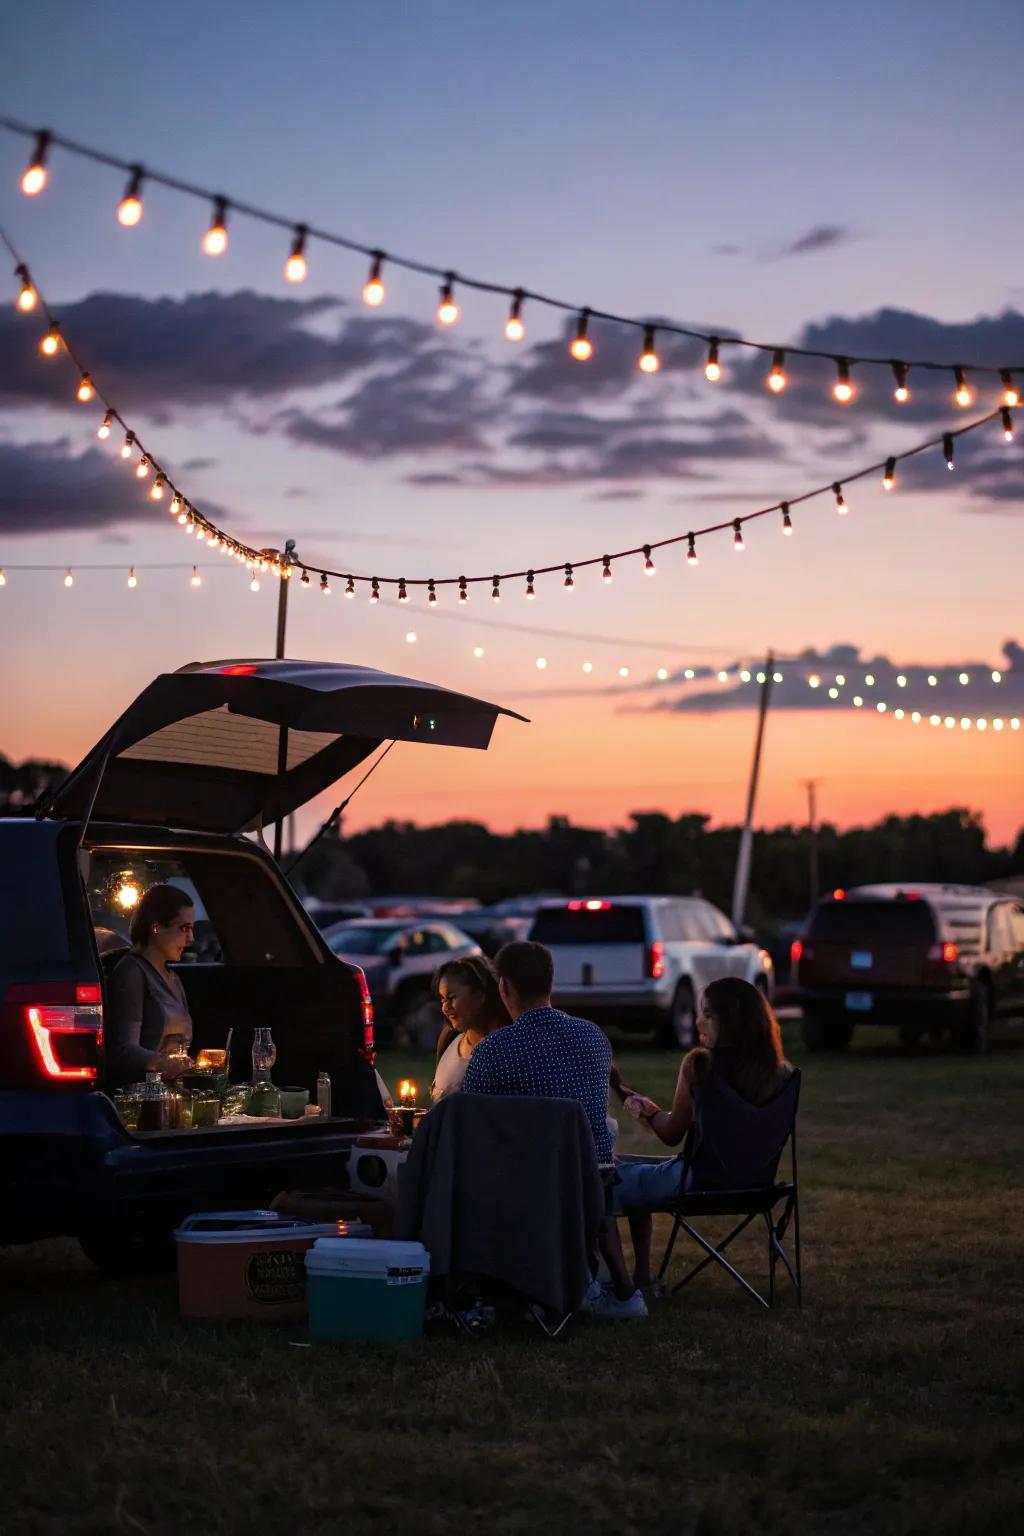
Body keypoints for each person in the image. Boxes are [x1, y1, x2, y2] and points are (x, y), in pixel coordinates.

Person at [463, 940, 646, 1320]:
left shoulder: (493, 1051)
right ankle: (601, 1286)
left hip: (523, 1187)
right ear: (551, 981)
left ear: (505, 988)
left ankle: (480, 1288)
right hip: (592, 1182)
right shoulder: (594, 1038)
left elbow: (472, 1125)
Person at [615, 976, 793, 1289]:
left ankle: (626, 1283)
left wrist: (632, 1101)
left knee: (608, 1177)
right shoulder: (782, 1074)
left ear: (731, 1022)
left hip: (699, 1183)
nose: (698, 1021)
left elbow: (670, 1134)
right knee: (623, 1163)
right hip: (758, 1187)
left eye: (708, 1014)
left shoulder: (700, 1065)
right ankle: (640, 1278)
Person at [106, 884, 196, 1087]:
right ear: (156, 927)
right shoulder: (132, 972)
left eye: (192, 929)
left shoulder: (173, 979)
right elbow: (123, 1049)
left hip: (172, 1090)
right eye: (184, 929)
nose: (191, 939)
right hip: (141, 1094)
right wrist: (163, 1063)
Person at [430, 955, 510, 1102]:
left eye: (452, 997)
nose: (445, 1008)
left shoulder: (508, 1047)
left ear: (480, 995)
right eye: (442, 999)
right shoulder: (449, 1038)